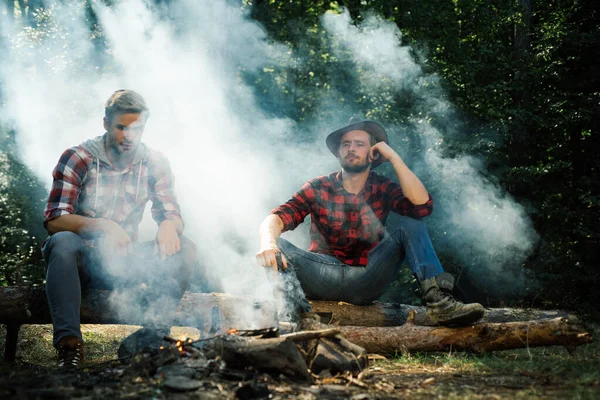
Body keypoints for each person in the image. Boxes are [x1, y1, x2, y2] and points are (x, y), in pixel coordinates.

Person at [256, 117, 484, 326]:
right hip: (321, 274)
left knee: (409, 223)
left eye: (359, 144)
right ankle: (292, 315)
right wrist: (269, 244)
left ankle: (439, 304)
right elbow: (277, 217)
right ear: (338, 152)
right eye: (345, 144)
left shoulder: (382, 187)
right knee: (278, 246)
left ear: (373, 153)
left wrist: (394, 157)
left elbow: (422, 206)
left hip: (367, 276)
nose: (351, 149)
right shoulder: (318, 186)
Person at [43, 90, 196, 369]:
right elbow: (55, 220)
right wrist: (104, 226)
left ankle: (151, 337)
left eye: (136, 128)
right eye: (121, 127)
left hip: (126, 264)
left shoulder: (154, 161)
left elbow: (171, 212)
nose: (128, 136)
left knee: (185, 246)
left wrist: (169, 227)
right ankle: (70, 348)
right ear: (106, 124)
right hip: (82, 266)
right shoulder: (78, 158)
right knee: (63, 241)